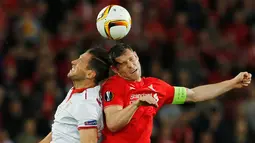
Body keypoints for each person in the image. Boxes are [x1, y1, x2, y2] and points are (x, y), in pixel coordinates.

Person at [101, 43, 252, 143]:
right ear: (115, 70)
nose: (131, 65)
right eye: (124, 64)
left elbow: (194, 95)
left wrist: (232, 83)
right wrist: (137, 103)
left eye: (131, 59)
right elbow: (113, 123)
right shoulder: (113, 86)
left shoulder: (155, 86)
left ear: (136, 55)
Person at [40, 47, 110, 143]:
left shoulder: (87, 104)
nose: (73, 61)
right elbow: (60, 129)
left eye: (80, 61)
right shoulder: (77, 91)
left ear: (90, 74)